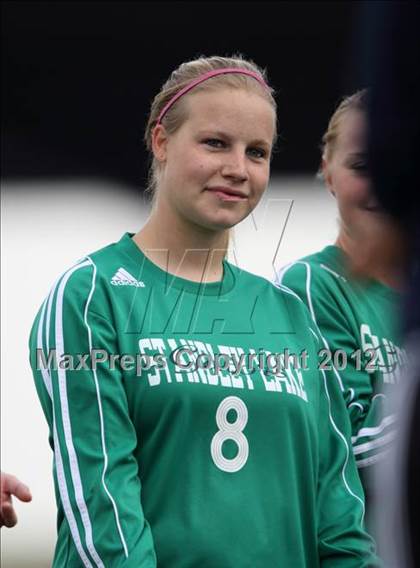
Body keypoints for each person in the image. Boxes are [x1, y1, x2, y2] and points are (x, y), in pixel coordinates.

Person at [29, 56, 378, 567]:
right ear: (161, 141)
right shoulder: (91, 296)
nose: (237, 169)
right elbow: (103, 512)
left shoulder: (293, 316)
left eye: (256, 152)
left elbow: (339, 520)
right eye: (215, 143)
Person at [276, 90, 405, 523]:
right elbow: (345, 452)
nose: (383, 185)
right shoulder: (311, 285)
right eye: (362, 166)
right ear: (327, 172)